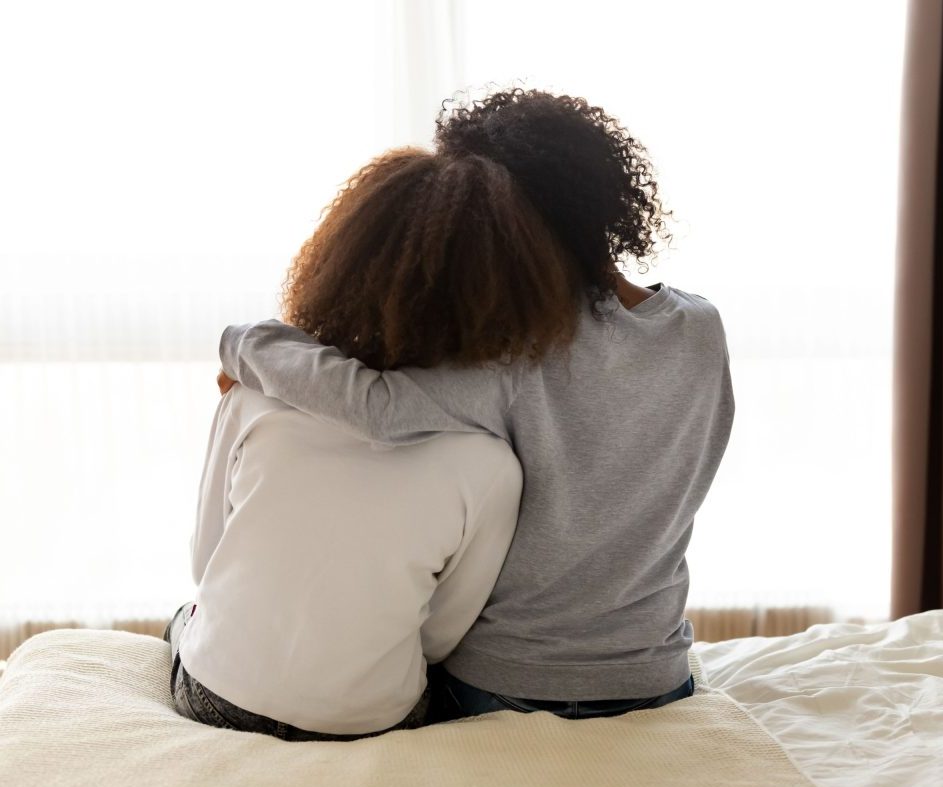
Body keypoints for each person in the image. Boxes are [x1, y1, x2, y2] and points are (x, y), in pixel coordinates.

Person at [219, 89, 735, 721]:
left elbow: (376, 406)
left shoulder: (520, 354)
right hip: (658, 676)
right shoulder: (701, 329)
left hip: (508, 684)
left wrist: (243, 343)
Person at [165, 146, 586, 740]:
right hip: (367, 720)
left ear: (342, 261)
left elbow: (205, 562)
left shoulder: (251, 398)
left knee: (183, 619)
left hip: (218, 695)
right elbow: (439, 637)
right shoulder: (491, 465)